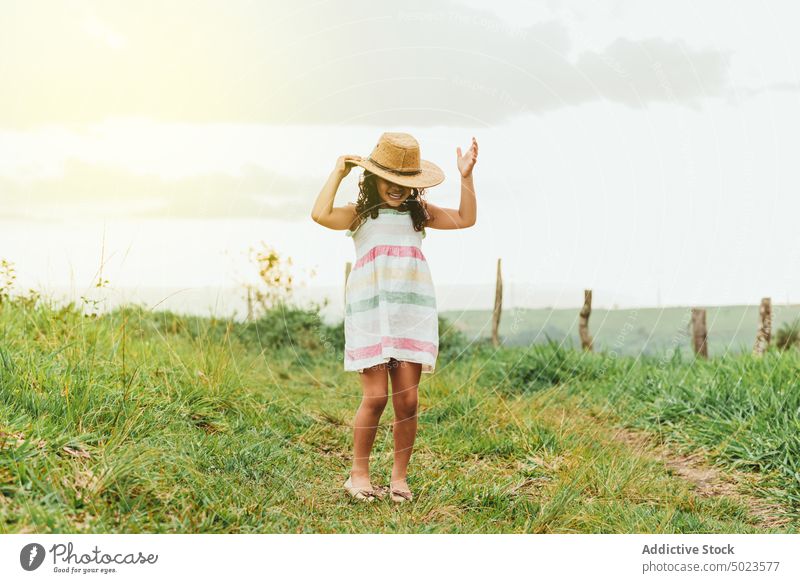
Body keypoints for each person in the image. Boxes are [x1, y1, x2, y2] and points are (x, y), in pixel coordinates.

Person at [311, 132, 478, 503]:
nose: (398, 189)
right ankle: (358, 475)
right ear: (373, 178)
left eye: (405, 182)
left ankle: (399, 479)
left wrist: (465, 176)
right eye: (390, 180)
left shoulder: (419, 214)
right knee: (375, 398)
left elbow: (467, 218)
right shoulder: (361, 214)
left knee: (407, 401)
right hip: (372, 316)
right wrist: (337, 172)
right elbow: (320, 214)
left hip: (410, 315)